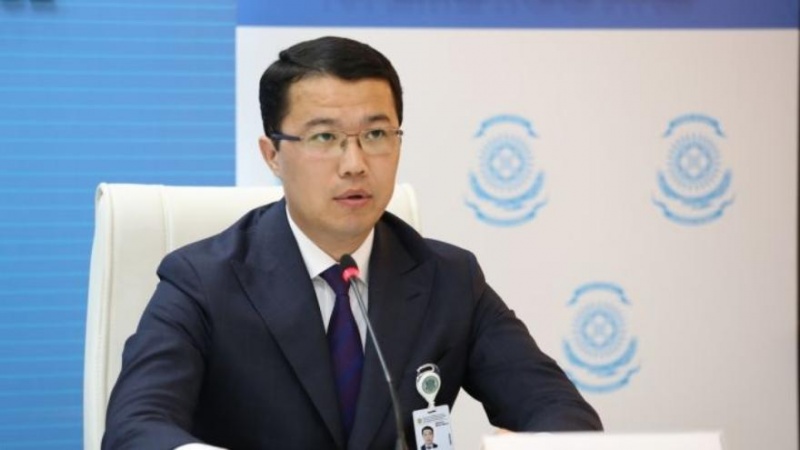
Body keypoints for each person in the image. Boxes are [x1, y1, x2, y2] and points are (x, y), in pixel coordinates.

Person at [102, 36, 602, 450]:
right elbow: (135, 427)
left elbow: (561, 412)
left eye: (377, 134)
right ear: (272, 154)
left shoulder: (449, 280)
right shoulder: (202, 281)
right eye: (324, 138)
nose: (355, 164)